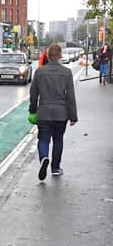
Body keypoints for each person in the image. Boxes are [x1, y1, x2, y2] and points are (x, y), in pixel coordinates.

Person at [29, 44, 78, 180]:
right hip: (61, 114)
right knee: (58, 140)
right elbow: (70, 96)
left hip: (44, 112)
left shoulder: (39, 72)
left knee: (43, 139)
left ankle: (44, 157)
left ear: (48, 56)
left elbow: (33, 94)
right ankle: (55, 168)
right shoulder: (67, 72)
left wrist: (32, 110)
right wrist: (73, 116)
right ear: (60, 56)